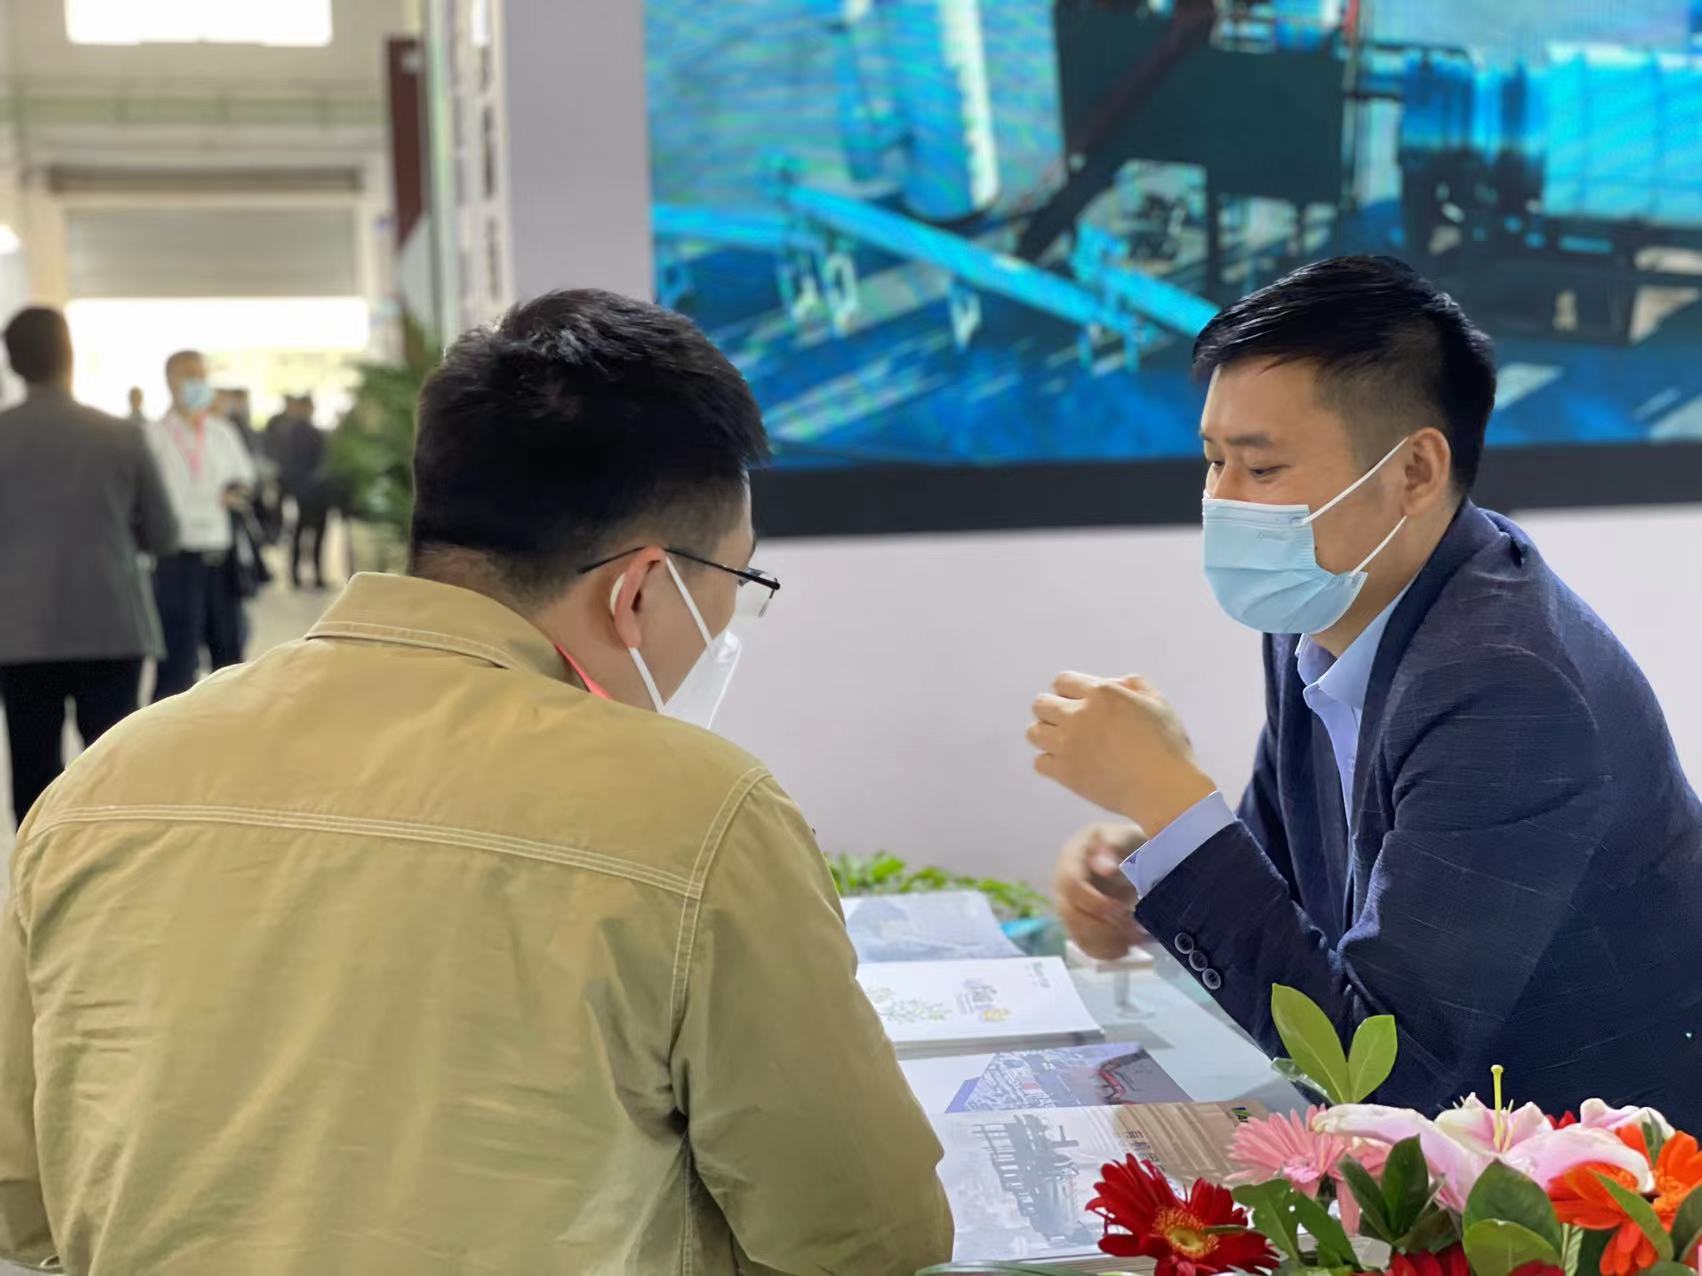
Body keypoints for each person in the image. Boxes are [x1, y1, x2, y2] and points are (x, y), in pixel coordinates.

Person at [0, 290, 953, 1274]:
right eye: (737, 586)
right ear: (639, 588)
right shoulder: (702, 815)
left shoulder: (98, 788)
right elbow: (865, 1231)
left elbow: (27, 1207)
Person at [1035, 256, 1702, 1122]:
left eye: (1261, 471)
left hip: (1598, 1178)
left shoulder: (1504, 684)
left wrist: (1171, 805)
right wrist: (1149, 868)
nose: (1222, 503)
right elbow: (1290, 895)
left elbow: (1377, 1069)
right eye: (1213, 461)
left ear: (1415, 471)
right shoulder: (1321, 604)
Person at [0, 308, 177, 829]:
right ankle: (108, 870)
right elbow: (164, 533)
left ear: (13, 363)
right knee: (112, 768)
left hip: (19, 631)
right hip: (111, 624)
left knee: (32, 770)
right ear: (69, 354)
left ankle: (41, 868)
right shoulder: (120, 434)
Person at [142, 350, 257, 700]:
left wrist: (234, 493)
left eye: (201, 376)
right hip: (177, 560)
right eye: (188, 375)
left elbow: (244, 481)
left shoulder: (221, 433)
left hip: (220, 559)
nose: (197, 383)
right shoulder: (154, 435)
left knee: (230, 660)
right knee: (176, 664)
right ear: (170, 380)